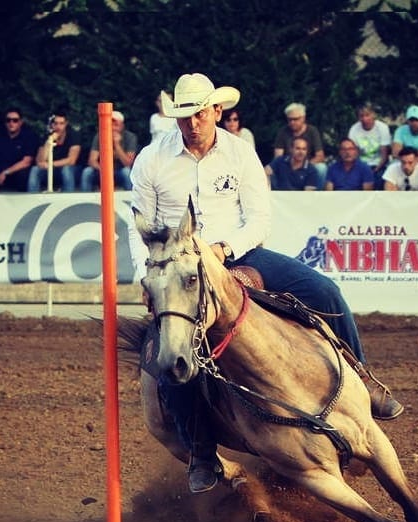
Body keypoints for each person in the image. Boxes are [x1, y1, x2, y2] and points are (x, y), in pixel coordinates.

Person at [130, 73, 404, 494]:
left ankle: (364, 378)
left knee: (326, 291)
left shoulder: (240, 153)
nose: (191, 124)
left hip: (239, 254)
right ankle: (202, 452)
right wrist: (146, 275)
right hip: (178, 269)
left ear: (216, 111)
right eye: (183, 116)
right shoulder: (151, 158)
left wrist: (224, 248)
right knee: (171, 362)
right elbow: (139, 227)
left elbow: (259, 220)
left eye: (199, 114)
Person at [273, 102, 327, 190]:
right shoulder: (283, 132)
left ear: (303, 118)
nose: (292, 122)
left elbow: (320, 156)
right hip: (288, 166)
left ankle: (316, 196)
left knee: (321, 168)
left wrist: (304, 166)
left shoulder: (312, 131)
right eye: (289, 119)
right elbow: (278, 156)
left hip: (308, 166)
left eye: (295, 119)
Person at [81, 110, 136, 191]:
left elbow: (127, 163)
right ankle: (84, 199)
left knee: (127, 172)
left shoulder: (130, 137)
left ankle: (130, 198)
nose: (113, 127)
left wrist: (117, 144)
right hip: (101, 170)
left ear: (122, 125)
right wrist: (104, 170)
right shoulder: (100, 136)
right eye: (110, 124)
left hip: (120, 170)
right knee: (87, 172)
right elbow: (92, 160)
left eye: (116, 125)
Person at [28, 111, 81, 192]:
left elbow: (71, 160)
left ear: (66, 124)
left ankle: (69, 198)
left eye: (61, 123)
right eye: (55, 123)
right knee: (35, 170)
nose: (58, 126)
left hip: (70, 169)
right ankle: (33, 198)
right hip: (51, 169)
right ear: (52, 124)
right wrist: (49, 142)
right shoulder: (47, 136)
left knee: (66, 170)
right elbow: (40, 161)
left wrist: (51, 164)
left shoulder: (73, 135)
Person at [348, 104, 391, 190]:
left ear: (373, 115)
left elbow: (384, 155)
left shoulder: (382, 128)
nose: (364, 119)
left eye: (367, 115)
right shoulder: (354, 129)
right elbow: (353, 153)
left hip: (379, 165)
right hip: (360, 165)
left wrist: (375, 169)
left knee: (379, 179)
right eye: (361, 116)